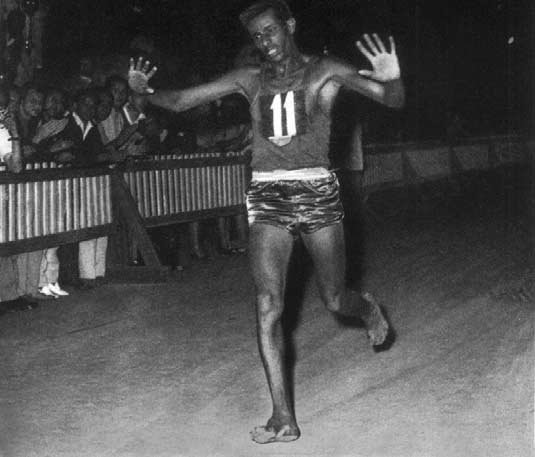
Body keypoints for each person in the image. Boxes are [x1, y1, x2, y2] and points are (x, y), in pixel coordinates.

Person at [128, 0, 404, 444]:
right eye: (256, 36)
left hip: (316, 192)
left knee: (335, 300)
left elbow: (391, 100)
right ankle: (282, 417)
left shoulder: (324, 70)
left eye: (270, 31)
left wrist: (392, 79)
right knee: (267, 304)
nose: (264, 42)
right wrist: (141, 93)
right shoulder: (248, 79)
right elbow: (179, 101)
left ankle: (367, 308)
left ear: (290, 26)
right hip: (267, 194)